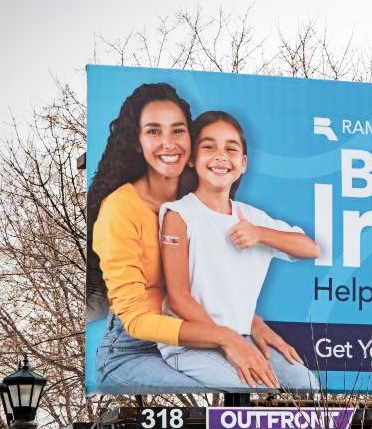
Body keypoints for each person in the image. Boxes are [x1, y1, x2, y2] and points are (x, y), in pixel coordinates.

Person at [87, 83, 296, 392]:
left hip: (202, 336)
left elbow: (211, 283)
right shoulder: (119, 210)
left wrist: (251, 324)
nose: (168, 143)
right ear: (137, 141)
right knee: (251, 386)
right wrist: (227, 337)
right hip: (134, 349)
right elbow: (136, 320)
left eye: (178, 131)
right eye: (154, 132)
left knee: (299, 379)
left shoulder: (195, 199)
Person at [158, 111, 319, 391]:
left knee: (305, 384)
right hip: (191, 343)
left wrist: (260, 235)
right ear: (192, 158)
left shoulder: (252, 217)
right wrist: (227, 340)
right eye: (209, 147)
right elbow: (178, 298)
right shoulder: (179, 215)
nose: (221, 156)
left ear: (243, 163)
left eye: (231, 149)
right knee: (250, 384)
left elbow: (309, 248)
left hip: (239, 336)